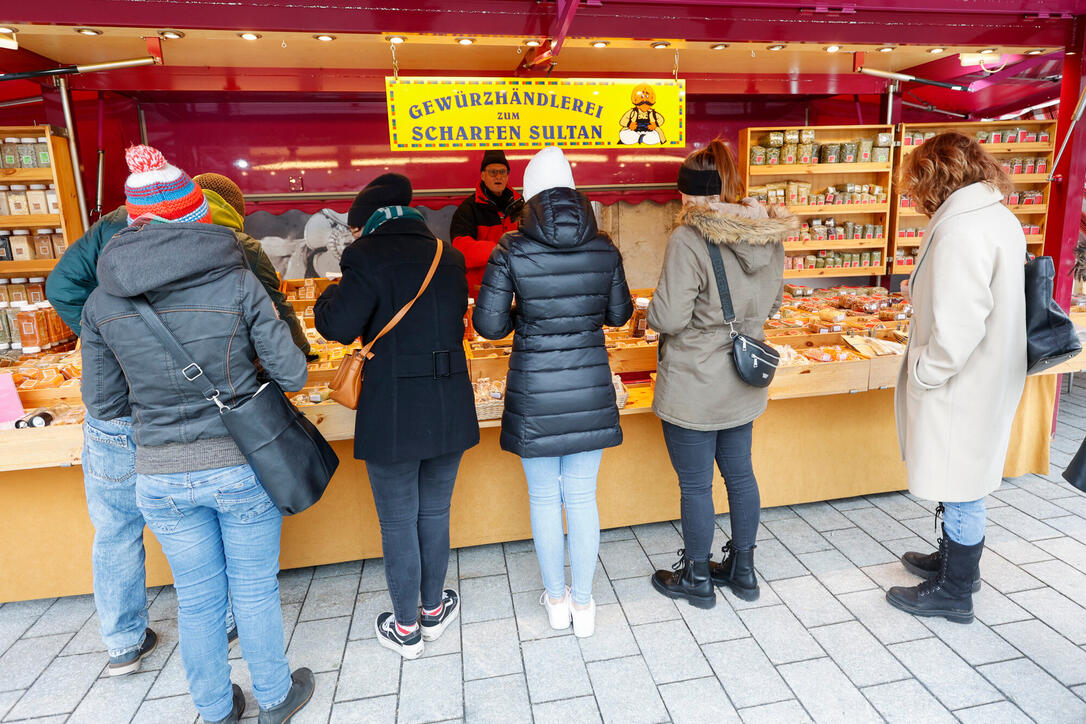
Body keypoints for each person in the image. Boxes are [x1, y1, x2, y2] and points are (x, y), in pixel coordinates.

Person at [80, 146, 314, 723]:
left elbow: (103, 404)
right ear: (197, 217)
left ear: (134, 223)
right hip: (242, 464)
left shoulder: (102, 299)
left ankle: (214, 709)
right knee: (254, 589)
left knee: (198, 599)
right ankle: (277, 698)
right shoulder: (237, 279)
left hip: (159, 473)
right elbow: (293, 372)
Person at [314, 173, 478, 659]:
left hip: (392, 408)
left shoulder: (364, 257)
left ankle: (405, 628)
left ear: (368, 225)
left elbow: (338, 327)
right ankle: (432, 611)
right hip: (450, 402)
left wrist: (328, 296)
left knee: (398, 521)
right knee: (435, 512)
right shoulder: (447, 256)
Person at [474, 147, 632, 638]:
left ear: (528, 194)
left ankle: (556, 600)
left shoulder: (510, 249)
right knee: (582, 497)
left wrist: (531, 319)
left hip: (536, 390)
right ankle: (585, 607)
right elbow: (619, 315)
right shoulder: (605, 248)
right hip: (588, 387)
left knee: (544, 498)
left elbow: (489, 325)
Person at [646, 139, 796, 608]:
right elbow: (773, 303)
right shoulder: (769, 233)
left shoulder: (688, 238)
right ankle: (743, 570)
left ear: (689, 195)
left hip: (695, 380)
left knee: (696, 486)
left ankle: (697, 578)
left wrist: (650, 313)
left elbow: (669, 318)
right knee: (740, 477)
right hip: (743, 379)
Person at [886, 132, 1025, 624]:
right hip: (986, 372)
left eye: (915, 183)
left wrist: (925, 371)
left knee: (962, 480)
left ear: (934, 177)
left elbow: (959, 325)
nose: (913, 195)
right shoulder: (993, 216)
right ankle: (952, 561)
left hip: (962, 378)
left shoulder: (960, 229)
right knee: (960, 473)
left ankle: (956, 588)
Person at [194, 172, 313, 358]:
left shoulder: (171, 242)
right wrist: (302, 350)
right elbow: (275, 304)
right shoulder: (242, 246)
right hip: (235, 358)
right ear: (233, 210)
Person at [451, 149, 524, 296]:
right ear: (483, 175)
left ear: (508, 175)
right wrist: (500, 249)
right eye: (493, 172)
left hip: (517, 288)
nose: (498, 176)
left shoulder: (520, 206)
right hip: (482, 292)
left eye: (503, 172)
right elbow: (460, 249)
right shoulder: (468, 209)